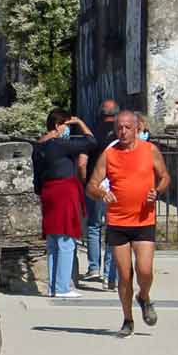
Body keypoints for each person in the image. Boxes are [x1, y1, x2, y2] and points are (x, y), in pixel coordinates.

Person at [86, 109, 165, 337]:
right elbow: (91, 185)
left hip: (143, 220)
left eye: (127, 127)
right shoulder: (109, 155)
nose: (122, 131)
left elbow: (165, 176)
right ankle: (128, 319)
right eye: (119, 127)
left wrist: (157, 191)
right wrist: (101, 193)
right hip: (118, 222)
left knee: (145, 271)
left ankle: (144, 296)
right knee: (125, 275)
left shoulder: (150, 151)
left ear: (137, 128)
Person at [33, 109, 98, 298]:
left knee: (53, 241)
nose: (67, 129)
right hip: (64, 191)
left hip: (48, 192)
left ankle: (54, 286)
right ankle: (62, 287)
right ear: (57, 126)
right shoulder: (60, 145)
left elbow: (37, 177)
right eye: (66, 125)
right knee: (66, 239)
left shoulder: (39, 147)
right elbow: (91, 142)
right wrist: (80, 122)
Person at [80, 96, 123, 289]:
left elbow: (82, 163)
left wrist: (85, 183)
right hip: (116, 187)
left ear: (100, 113)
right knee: (113, 229)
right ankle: (109, 274)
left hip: (95, 187)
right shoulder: (122, 134)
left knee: (94, 226)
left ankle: (94, 267)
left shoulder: (91, 133)